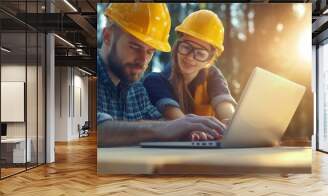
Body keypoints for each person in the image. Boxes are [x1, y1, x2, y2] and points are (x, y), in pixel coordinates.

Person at [97, 3, 225, 147]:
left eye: (150, 52)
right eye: (134, 47)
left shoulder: (136, 89)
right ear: (107, 37)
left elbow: (160, 123)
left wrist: (187, 130)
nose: (143, 60)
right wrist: (171, 127)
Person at [144, 10, 237, 130]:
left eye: (200, 53)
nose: (190, 57)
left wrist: (231, 123)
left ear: (209, 59)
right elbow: (181, 123)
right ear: (177, 46)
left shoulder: (212, 75)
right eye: (186, 47)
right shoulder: (155, 81)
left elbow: (225, 104)